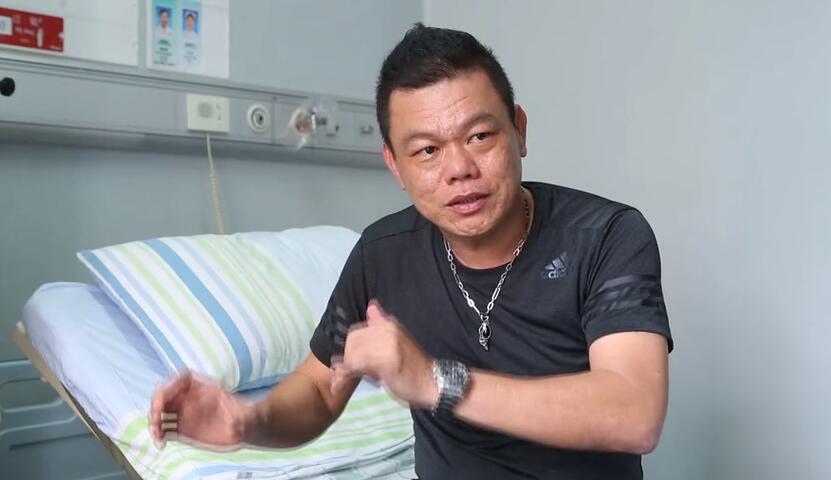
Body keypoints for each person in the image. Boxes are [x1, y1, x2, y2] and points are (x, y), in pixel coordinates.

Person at [150, 23, 673, 479]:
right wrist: (248, 422)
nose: (459, 169)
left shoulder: (606, 236)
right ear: (395, 166)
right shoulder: (383, 254)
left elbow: (634, 414)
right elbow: (320, 389)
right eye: (427, 150)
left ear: (519, 130)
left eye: (480, 136)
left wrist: (435, 381)